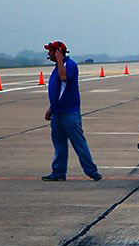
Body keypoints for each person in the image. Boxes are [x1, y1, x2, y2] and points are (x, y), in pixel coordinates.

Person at [41, 41, 102, 182]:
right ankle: (58, 172)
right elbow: (58, 90)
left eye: (51, 51)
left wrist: (60, 60)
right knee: (59, 144)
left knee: (78, 143)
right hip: (57, 113)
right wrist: (51, 108)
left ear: (58, 52)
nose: (48, 54)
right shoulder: (58, 67)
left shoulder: (69, 65)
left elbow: (64, 78)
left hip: (69, 113)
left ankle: (92, 171)